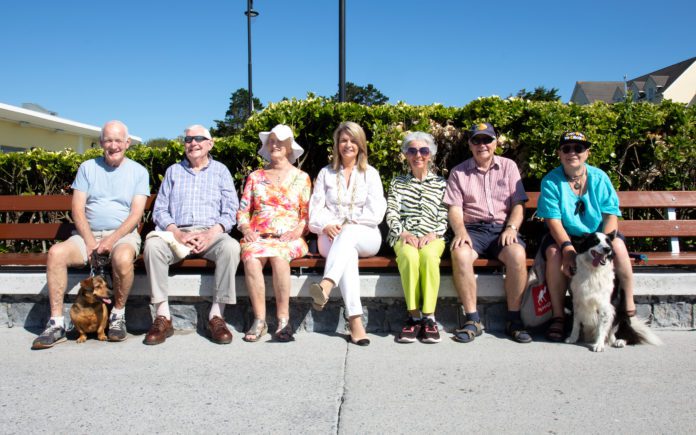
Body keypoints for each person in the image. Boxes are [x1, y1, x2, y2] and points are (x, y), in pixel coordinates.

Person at [31, 120, 149, 349]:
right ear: (101, 143)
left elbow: (136, 215)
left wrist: (110, 240)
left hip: (122, 236)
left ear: (127, 143)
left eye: (117, 140)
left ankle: (117, 315)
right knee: (56, 253)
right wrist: (89, 241)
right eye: (108, 140)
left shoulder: (138, 172)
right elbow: (77, 209)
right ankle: (56, 323)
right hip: (87, 234)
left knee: (123, 258)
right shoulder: (87, 168)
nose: (112, 145)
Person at [143, 125, 241, 345]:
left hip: (211, 234)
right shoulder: (173, 171)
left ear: (210, 143)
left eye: (199, 138)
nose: (193, 143)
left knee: (231, 248)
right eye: (188, 140)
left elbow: (230, 211)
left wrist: (211, 233)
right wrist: (176, 232)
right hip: (178, 235)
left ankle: (216, 315)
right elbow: (160, 210)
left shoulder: (221, 171)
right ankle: (163, 316)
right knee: (152, 247)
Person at [536, 131, 636, 342]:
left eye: (578, 148)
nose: (572, 152)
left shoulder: (600, 178)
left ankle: (628, 308)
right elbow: (553, 221)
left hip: (599, 236)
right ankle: (558, 317)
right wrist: (568, 249)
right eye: (566, 149)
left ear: (587, 153)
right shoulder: (551, 181)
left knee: (618, 248)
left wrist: (606, 243)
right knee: (554, 254)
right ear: (559, 153)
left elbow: (611, 215)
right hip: (565, 235)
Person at [444, 122, 531, 344]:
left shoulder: (509, 167)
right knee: (460, 254)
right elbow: (454, 208)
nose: (482, 145)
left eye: (487, 139)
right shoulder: (458, 172)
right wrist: (460, 231)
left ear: (495, 142)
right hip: (473, 230)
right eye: (477, 140)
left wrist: (512, 227)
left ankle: (514, 319)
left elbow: (518, 204)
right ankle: (473, 320)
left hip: (503, 228)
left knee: (517, 255)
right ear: (470, 145)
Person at [308, 121, 387, 346]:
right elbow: (315, 212)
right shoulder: (325, 173)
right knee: (347, 255)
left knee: (349, 235)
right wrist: (326, 225)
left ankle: (326, 283)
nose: (348, 144)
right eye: (343, 140)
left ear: (360, 144)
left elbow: (376, 213)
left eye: (353, 140)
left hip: (366, 235)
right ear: (337, 144)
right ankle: (355, 321)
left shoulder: (371, 174)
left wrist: (348, 224)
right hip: (329, 236)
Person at [237, 124, 311, 342]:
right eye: (271, 141)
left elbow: (306, 215)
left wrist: (298, 231)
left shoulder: (302, 177)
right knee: (250, 259)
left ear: (289, 146)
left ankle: (283, 320)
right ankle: (259, 320)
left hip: (290, 238)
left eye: (280, 141)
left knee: (279, 258)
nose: (275, 144)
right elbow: (242, 211)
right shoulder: (255, 176)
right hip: (258, 236)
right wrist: (247, 228)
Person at [386, 132, 448, 343]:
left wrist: (434, 233)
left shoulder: (441, 183)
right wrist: (404, 233)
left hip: (433, 235)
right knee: (410, 257)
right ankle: (413, 317)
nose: (418, 155)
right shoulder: (397, 183)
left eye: (423, 150)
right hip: (404, 235)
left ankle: (429, 318)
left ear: (430, 155)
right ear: (406, 155)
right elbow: (392, 212)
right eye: (412, 151)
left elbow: (444, 213)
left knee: (429, 257)